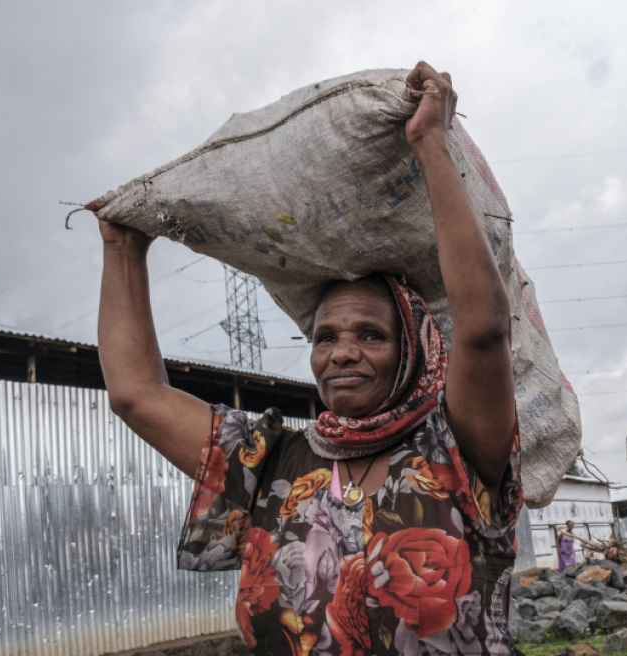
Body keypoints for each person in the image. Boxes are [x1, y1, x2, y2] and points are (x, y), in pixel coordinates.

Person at [95, 62, 523, 656]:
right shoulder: (272, 463)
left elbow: (483, 330)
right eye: (325, 338)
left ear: (416, 351)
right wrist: (122, 249)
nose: (342, 352)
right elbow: (135, 395)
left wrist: (428, 143)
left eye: (370, 335)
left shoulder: (458, 449)